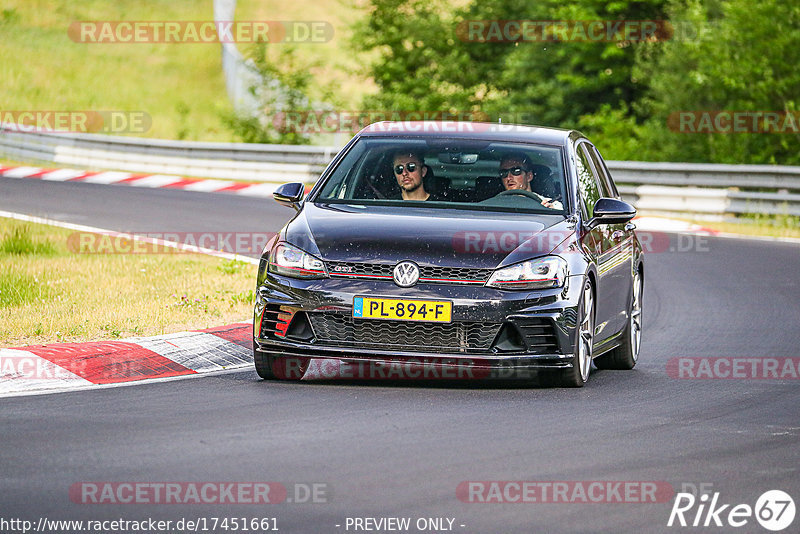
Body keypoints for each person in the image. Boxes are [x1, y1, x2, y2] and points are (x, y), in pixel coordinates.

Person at [497, 153, 562, 209]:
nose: (509, 178)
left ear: (529, 176)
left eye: (516, 171)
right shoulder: (494, 205)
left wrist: (550, 211)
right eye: (504, 172)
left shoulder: (550, 204)